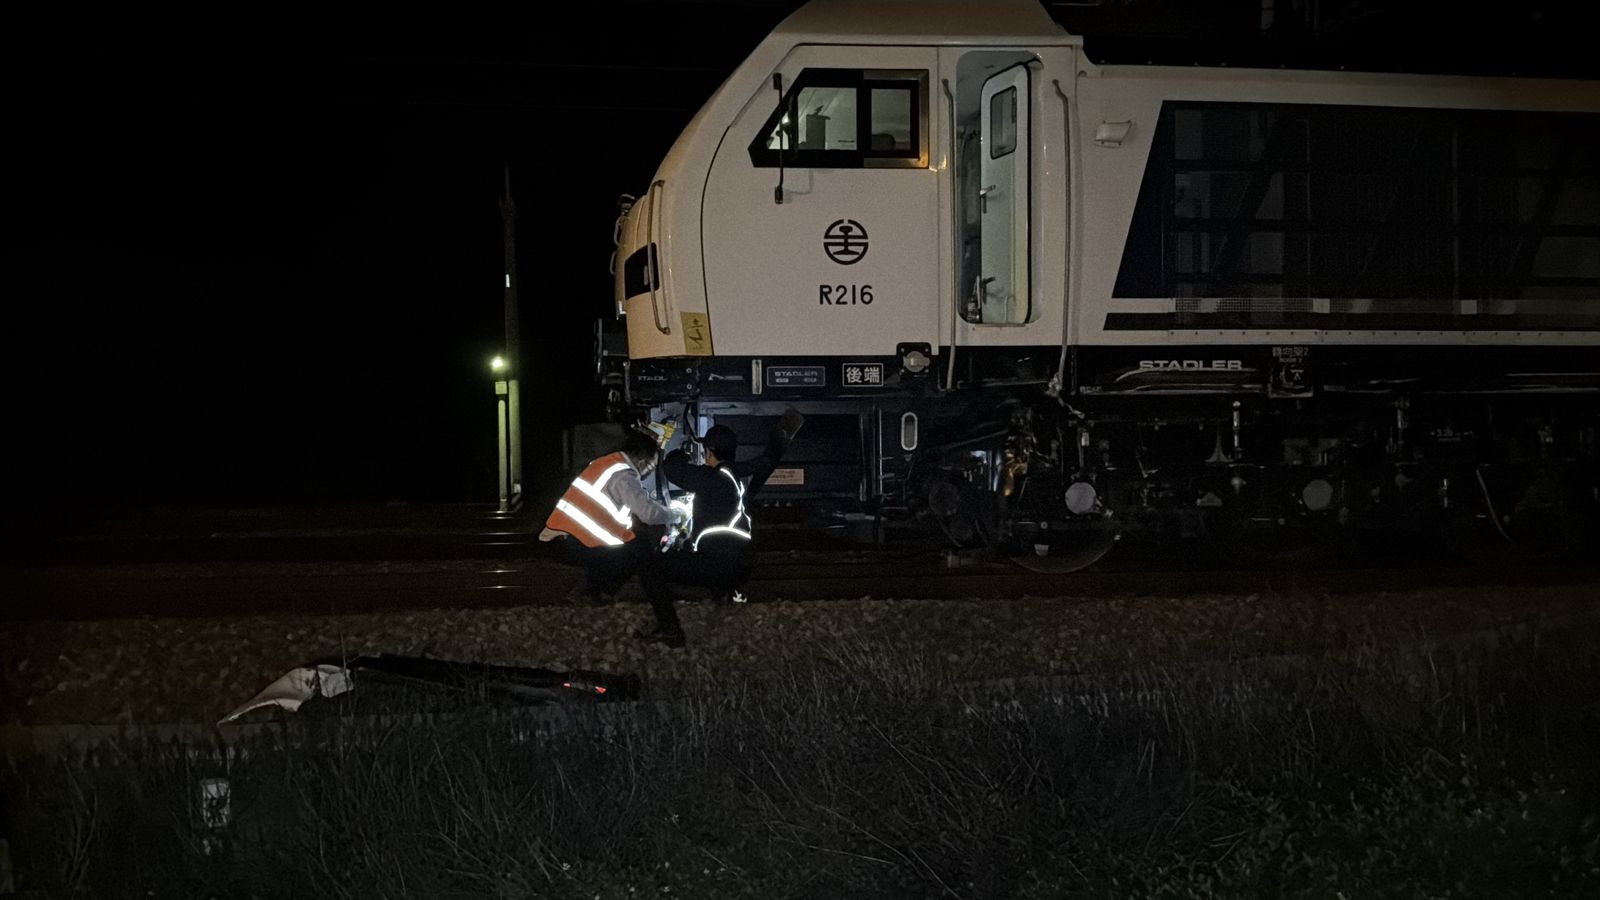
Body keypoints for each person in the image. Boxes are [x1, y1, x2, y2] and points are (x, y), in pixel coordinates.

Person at [637, 410, 803, 647]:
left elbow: (673, 469)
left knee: (649, 566)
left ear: (709, 452)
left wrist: (677, 451)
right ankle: (721, 596)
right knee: (703, 556)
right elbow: (762, 461)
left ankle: (670, 628)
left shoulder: (711, 478)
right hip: (738, 567)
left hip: (716, 566)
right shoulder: (735, 477)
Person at [540, 428, 686, 601]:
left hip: (567, 536)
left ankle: (591, 590)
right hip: (577, 541)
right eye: (650, 466)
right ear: (641, 460)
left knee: (629, 543)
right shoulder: (624, 475)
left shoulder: (606, 463)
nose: (648, 472)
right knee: (640, 548)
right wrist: (676, 514)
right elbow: (648, 514)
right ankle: (651, 595)